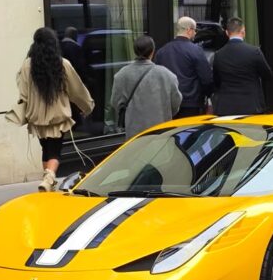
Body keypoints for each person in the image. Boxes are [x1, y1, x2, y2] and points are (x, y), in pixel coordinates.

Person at [16, 27, 94, 192]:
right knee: (55, 151)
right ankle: (49, 177)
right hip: (58, 115)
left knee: (46, 149)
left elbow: (23, 92)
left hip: (36, 117)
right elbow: (77, 89)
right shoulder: (62, 64)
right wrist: (87, 106)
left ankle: (48, 182)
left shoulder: (27, 66)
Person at [111, 35, 182, 140]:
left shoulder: (121, 75)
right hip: (161, 132)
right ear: (152, 51)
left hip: (134, 134)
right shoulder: (167, 75)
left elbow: (115, 102)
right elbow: (176, 104)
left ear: (135, 51)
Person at [211, 17, 273, 116]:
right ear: (243, 31)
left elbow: (216, 81)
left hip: (226, 107)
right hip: (251, 105)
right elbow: (268, 75)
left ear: (227, 33)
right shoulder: (254, 52)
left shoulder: (218, 55)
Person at [154, 16, 213, 118]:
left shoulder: (161, 52)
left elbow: (157, 78)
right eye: (195, 30)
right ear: (189, 30)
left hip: (168, 104)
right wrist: (207, 95)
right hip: (191, 104)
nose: (195, 33)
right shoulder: (196, 51)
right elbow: (206, 79)